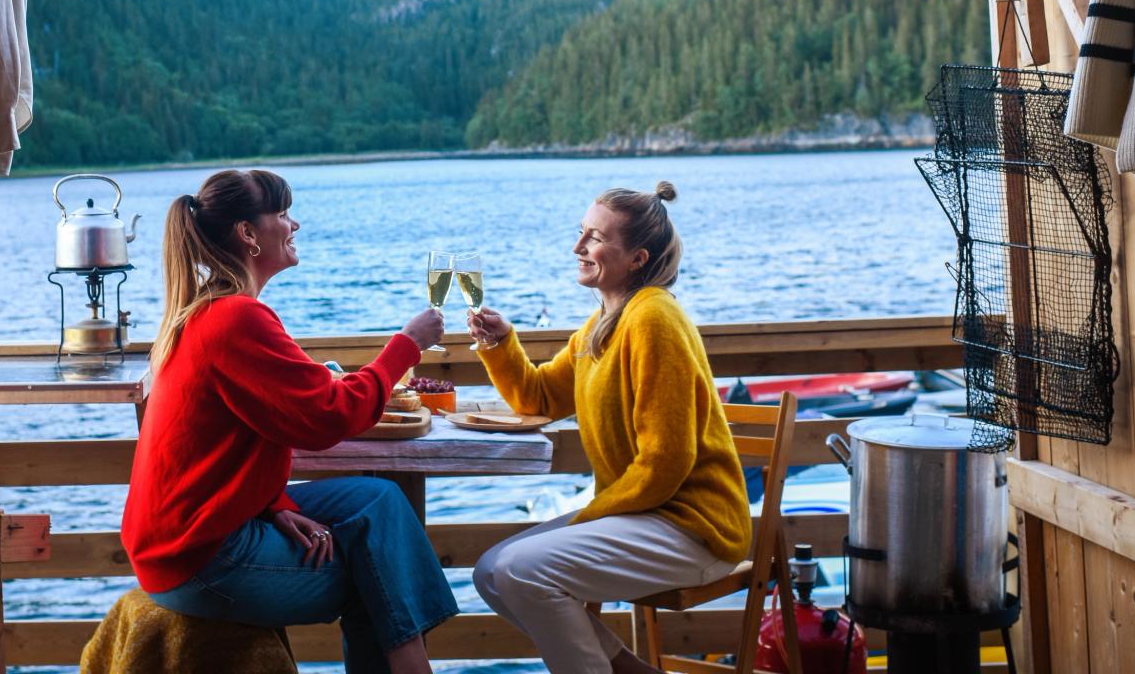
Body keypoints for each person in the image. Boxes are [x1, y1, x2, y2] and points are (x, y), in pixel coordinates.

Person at [120, 168, 458, 674]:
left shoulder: (205, 311)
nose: (294, 224)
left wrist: (273, 505)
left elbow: (222, 442)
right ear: (248, 234)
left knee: (381, 500)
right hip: (199, 560)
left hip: (189, 536)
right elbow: (328, 415)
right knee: (384, 578)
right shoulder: (236, 318)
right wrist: (406, 346)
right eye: (281, 214)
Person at [467, 182, 750, 674]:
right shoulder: (605, 322)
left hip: (693, 528)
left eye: (594, 238)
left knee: (520, 571)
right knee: (492, 572)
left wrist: (590, 515)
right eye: (580, 233)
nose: (578, 248)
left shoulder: (653, 319)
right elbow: (540, 397)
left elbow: (666, 461)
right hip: (644, 517)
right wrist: (502, 342)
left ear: (637, 258)